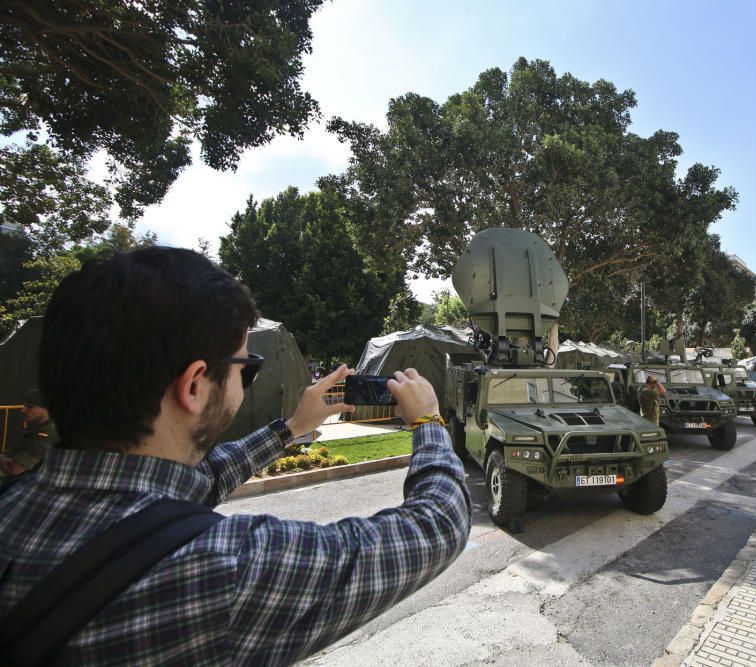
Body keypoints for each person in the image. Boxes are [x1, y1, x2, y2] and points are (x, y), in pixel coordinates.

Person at [0, 247, 471, 665]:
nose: (244, 385)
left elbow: (197, 483)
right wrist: (427, 422)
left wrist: (291, 428)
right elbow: (435, 526)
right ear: (193, 386)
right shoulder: (223, 568)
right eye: (245, 370)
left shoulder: (16, 505)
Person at [0, 388, 56, 478]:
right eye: (24, 406)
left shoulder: (46, 434)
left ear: (46, 408)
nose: (23, 410)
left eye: (30, 406)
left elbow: (15, 470)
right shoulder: (37, 428)